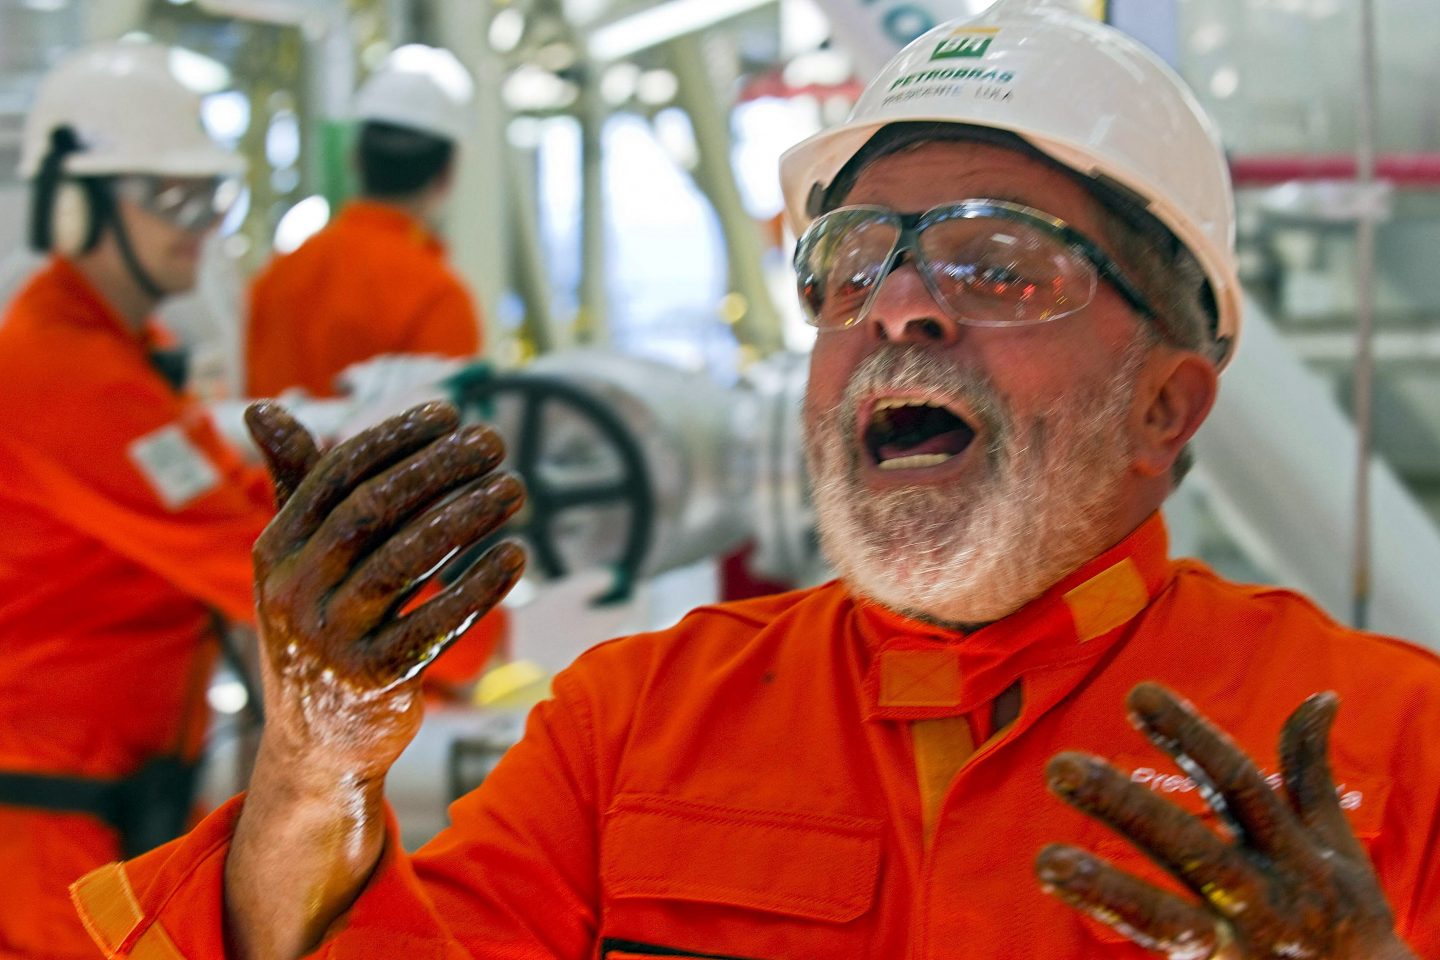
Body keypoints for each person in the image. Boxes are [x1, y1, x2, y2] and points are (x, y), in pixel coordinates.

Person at [71, 3, 1440, 958]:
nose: (899, 306)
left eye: (994, 261)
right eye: (855, 260)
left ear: (1166, 405)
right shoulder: (629, 736)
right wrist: (314, 771)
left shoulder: (1395, 758)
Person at [0, 41, 276, 959]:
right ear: (76, 203)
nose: (197, 226)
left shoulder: (130, 352)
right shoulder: (65, 379)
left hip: (124, 802)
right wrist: (462, 638)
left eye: (210, 199)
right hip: (54, 835)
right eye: (169, 199)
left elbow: (234, 508)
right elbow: (244, 560)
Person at [244, 45, 483, 400]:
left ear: (353, 158)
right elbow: (451, 441)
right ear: (447, 174)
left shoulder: (278, 274)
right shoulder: (437, 296)